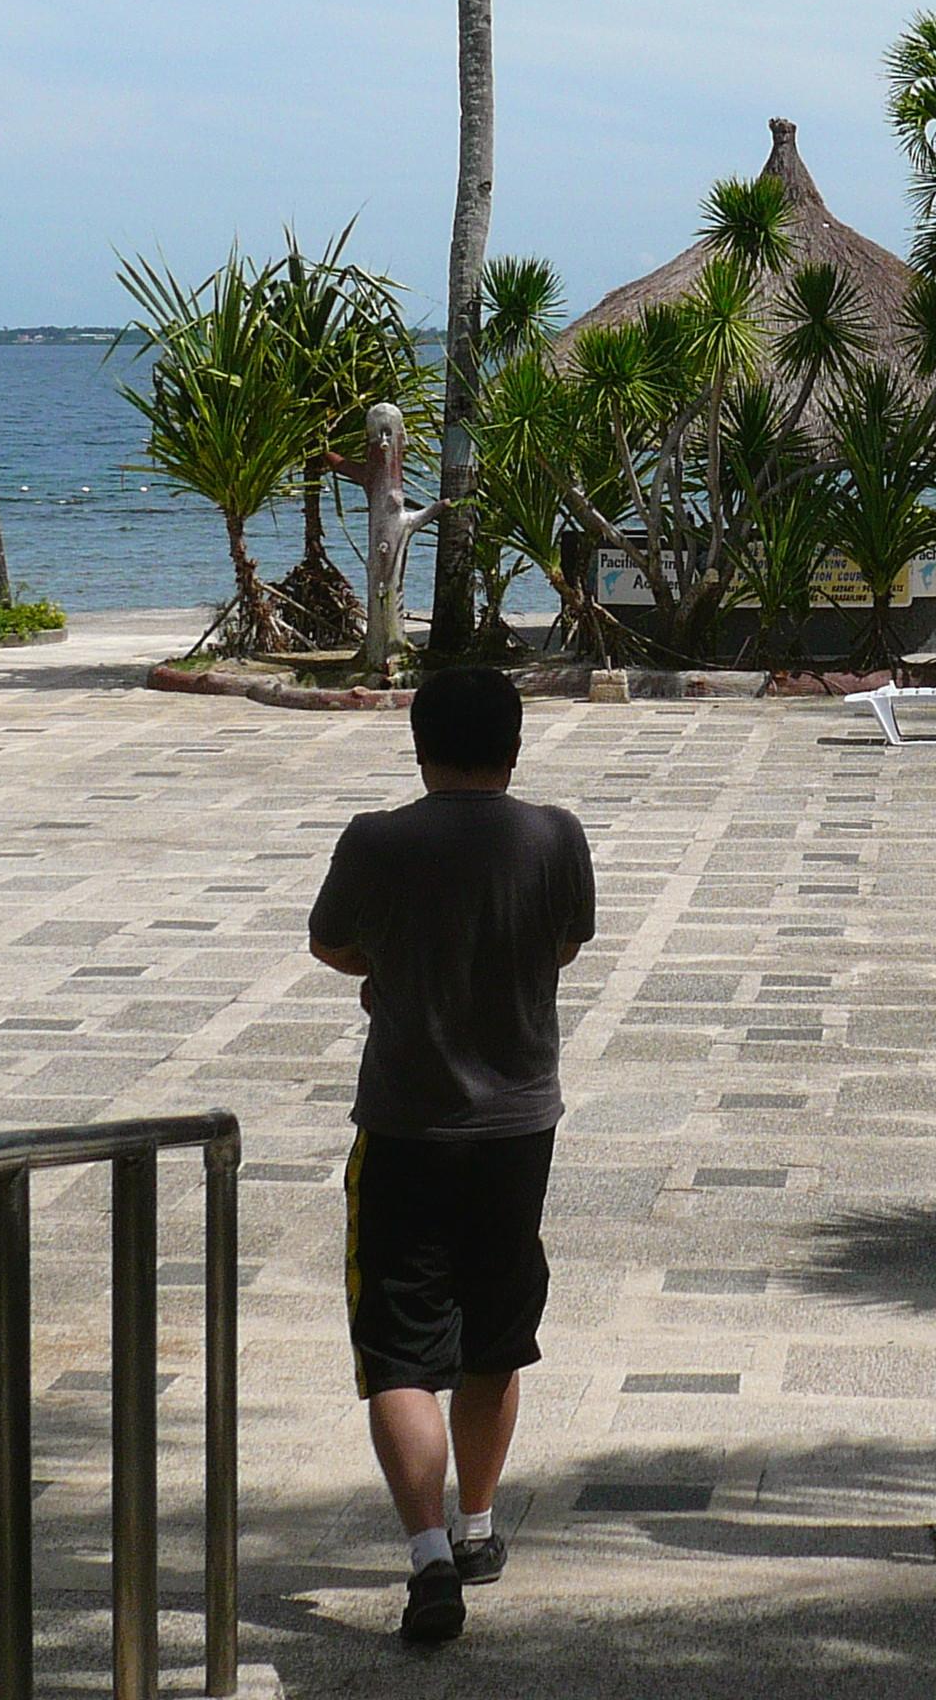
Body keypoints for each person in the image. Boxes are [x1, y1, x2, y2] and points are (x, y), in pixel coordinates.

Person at [308, 665, 595, 1646]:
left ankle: (429, 1556)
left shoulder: (377, 839)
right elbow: (565, 942)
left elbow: (331, 944)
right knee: (495, 1334)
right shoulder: (555, 836)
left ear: (420, 746)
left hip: (405, 1129)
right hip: (519, 1130)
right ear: (514, 747)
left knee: (399, 1348)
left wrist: (393, 969)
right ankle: (477, 1526)